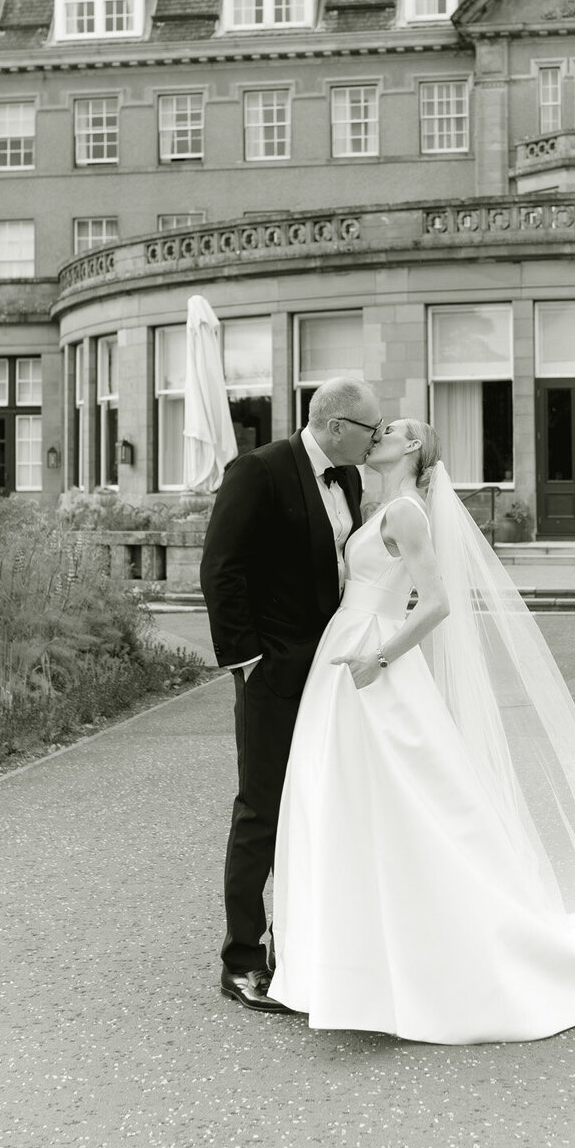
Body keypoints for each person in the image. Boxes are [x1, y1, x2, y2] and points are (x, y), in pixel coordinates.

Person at [268, 419, 575, 1045]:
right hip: (345, 654)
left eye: (391, 430)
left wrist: (381, 656)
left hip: (374, 661)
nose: (378, 434)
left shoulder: (407, 512)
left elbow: (437, 601)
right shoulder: (379, 507)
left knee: (408, 802)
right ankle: (353, 964)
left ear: (414, 448)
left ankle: (431, 960)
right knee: (347, 801)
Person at [200, 376, 384, 1012]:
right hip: (272, 672)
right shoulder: (259, 472)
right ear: (335, 426)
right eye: (370, 429)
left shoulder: (353, 481)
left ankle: (298, 948)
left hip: (331, 672)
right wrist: (247, 662)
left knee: (316, 808)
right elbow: (221, 568)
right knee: (262, 810)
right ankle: (241, 961)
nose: (378, 439)